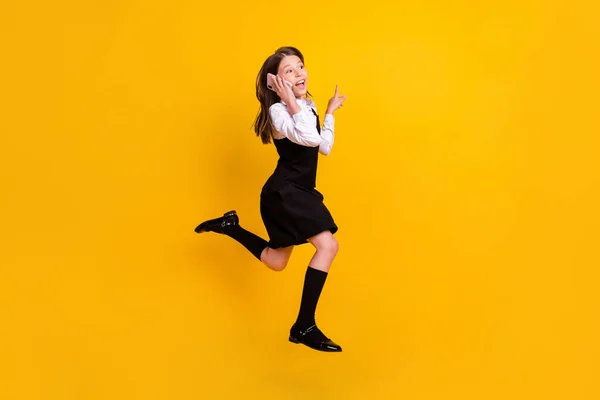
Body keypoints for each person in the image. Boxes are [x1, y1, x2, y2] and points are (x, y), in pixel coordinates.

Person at [194, 46, 347, 352]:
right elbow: (309, 138)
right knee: (328, 245)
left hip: (296, 191)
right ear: (276, 82)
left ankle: (229, 226)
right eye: (289, 70)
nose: (299, 73)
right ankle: (304, 325)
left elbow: (323, 146)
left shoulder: (307, 104)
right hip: (285, 192)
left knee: (276, 262)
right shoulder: (279, 111)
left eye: (300, 66)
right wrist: (290, 101)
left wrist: (328, 112)